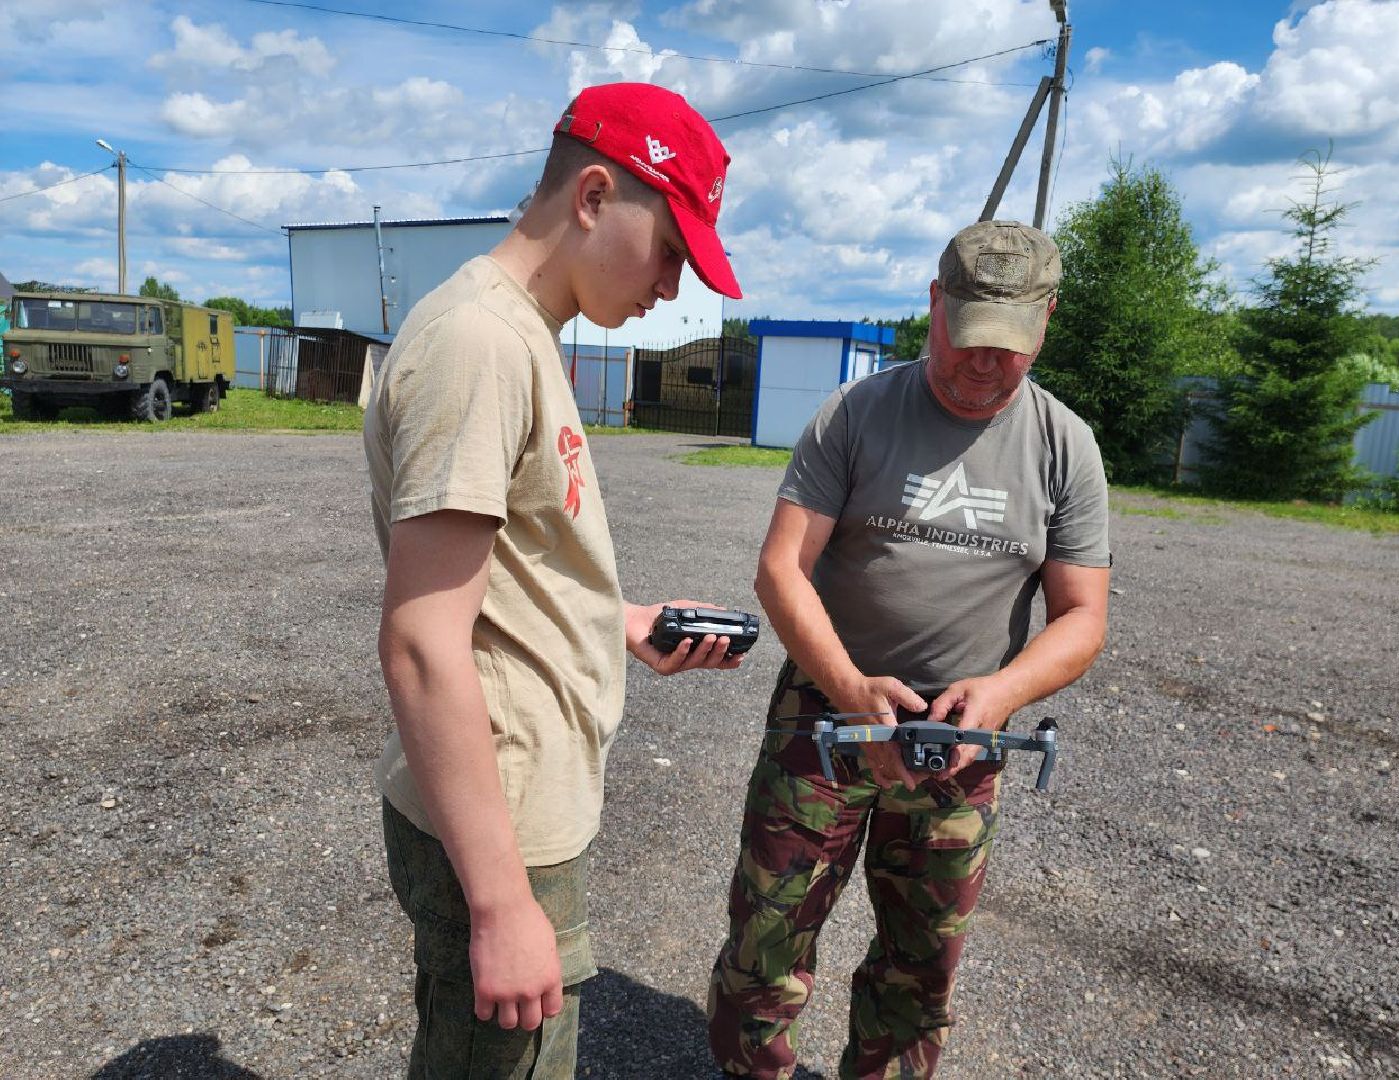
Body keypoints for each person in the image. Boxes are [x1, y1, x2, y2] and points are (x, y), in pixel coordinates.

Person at [363, 82, 744, 1079]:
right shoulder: (482, 344)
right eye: (671, 250)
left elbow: (503, 572)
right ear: (591, 195)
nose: (675, 286)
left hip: (516, 809)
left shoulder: (522, 333)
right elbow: (420, 641)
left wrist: (616, 620)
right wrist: (500, 906)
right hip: (503, 829)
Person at [707, 220, 1111, 1079]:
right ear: (933, 305)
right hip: (827, 718)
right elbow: (782, 568)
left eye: (1007, 348)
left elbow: (1082, 617)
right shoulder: (854, 414)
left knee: (921, 973)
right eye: (965, 338)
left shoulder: (1065, 446)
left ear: (1047, 320)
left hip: (963, 740)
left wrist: (999, 696)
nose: (981, 363)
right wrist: (851, 687)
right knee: (764, 948)